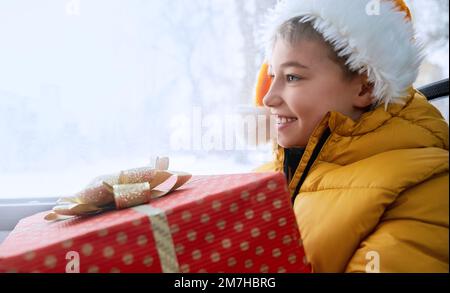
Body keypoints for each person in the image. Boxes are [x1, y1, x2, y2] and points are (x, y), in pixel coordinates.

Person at [254, 0, 449, 272]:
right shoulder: (266, 178)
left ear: (364, 87)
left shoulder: (426, 188)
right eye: (272, 75)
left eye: (292, 77)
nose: (268, 97)